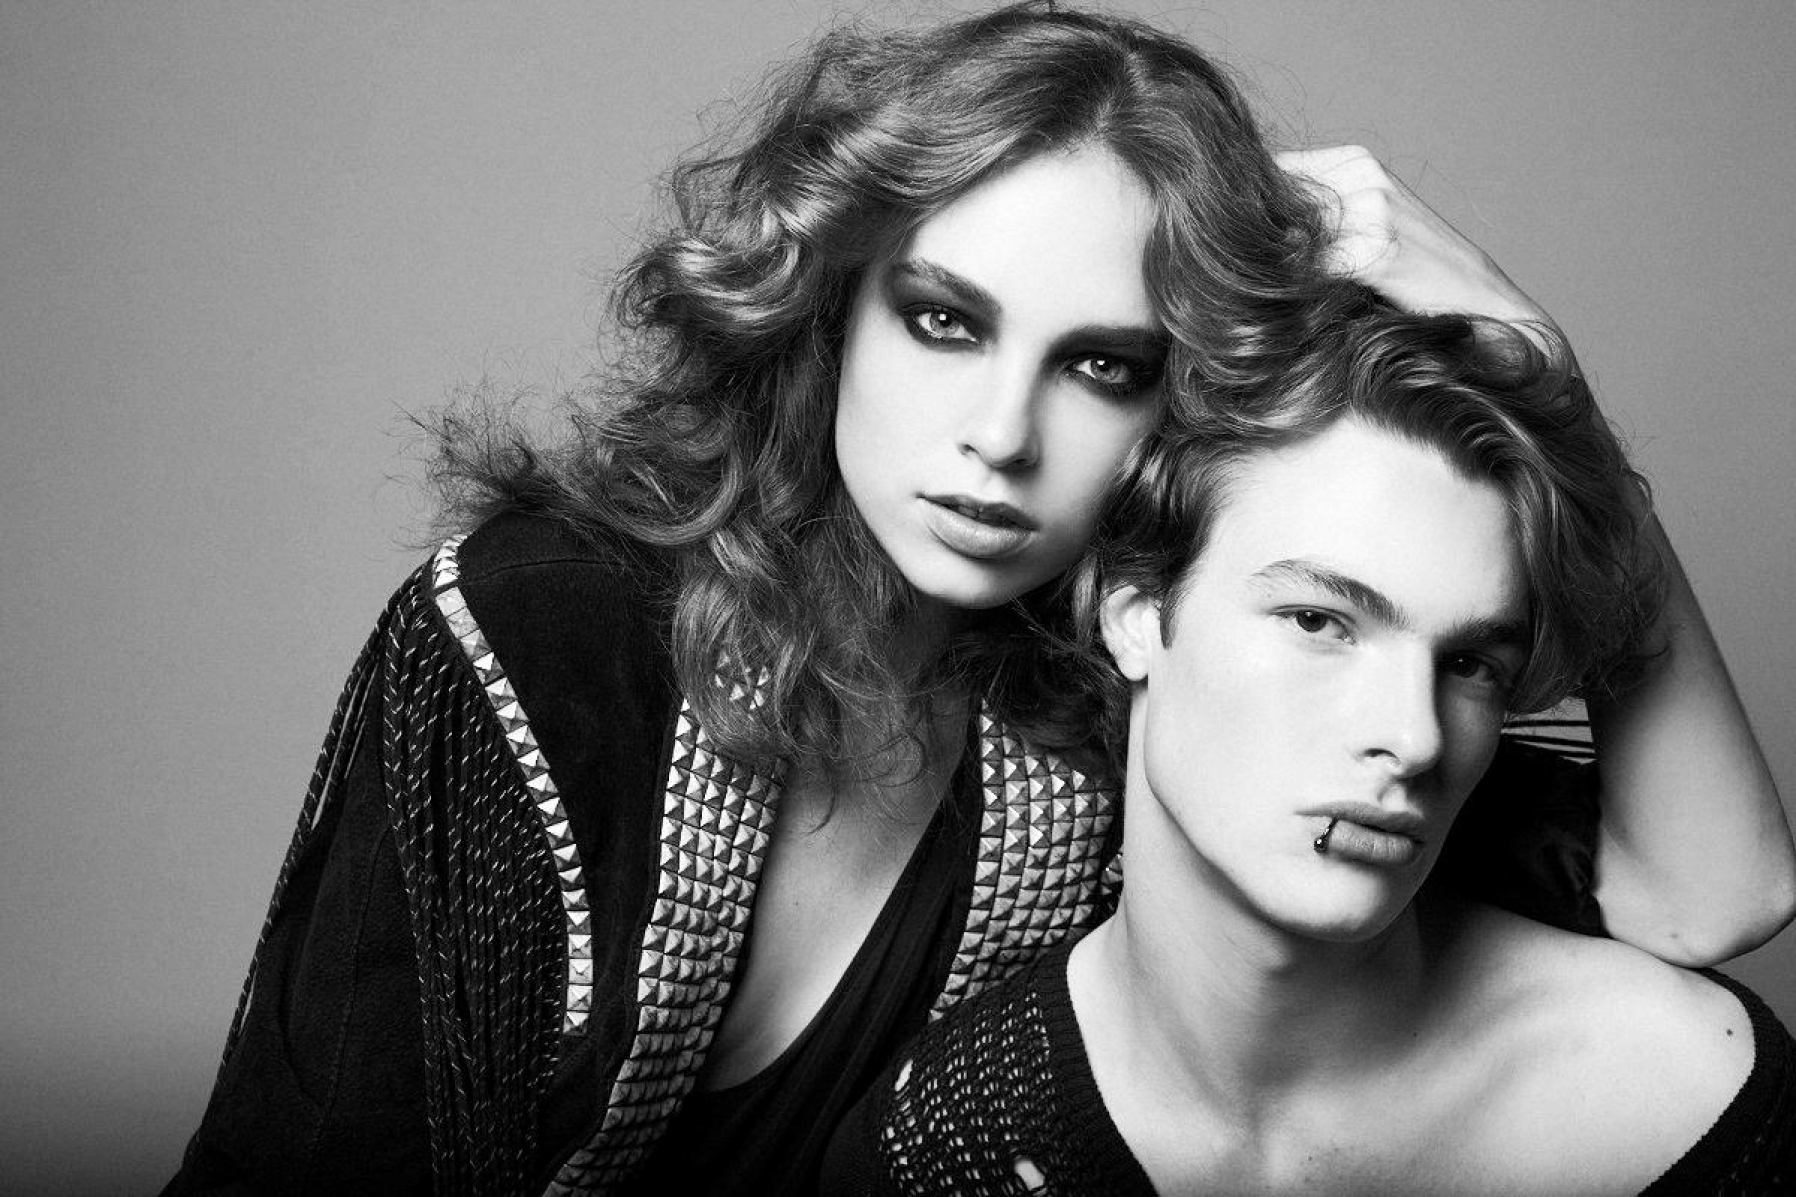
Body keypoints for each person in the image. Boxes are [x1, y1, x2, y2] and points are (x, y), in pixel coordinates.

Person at [162, 5, 1794, 1195]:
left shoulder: (1130, 694)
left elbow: (1706, 897)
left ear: (1179, 407)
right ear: (833, 306)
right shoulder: (551, 640)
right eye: (946, 321)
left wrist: (1545, 382)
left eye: (1100, 366)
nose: (1001, 436)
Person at [823, 307, 1796, 1195]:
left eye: (1467, 664)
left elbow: (1726, 890)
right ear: (1135, 615)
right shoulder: (943, 1147)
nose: (1412, 737)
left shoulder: (1688, 1098)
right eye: (1318, 621)